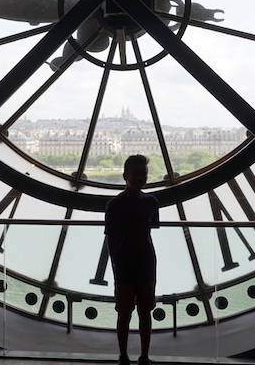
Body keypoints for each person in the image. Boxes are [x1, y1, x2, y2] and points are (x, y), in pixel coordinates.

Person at [104, 155, 160, 365]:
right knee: (145, 313)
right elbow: (149, 232)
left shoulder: (114, 205)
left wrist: (115, 269)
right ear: (127, 175)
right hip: (146, 262)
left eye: (142, 174)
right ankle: (144, 356)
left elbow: (111, 238)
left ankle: (123, 356)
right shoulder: (151, 202)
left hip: (124, 263)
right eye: (139, 173)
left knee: (124, 313)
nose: (141, 177)